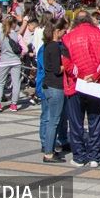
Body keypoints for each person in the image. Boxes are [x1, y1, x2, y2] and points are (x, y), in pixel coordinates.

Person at [61, 10, 100, 168]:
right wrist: (95, 75)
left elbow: (66, 62)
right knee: (95, 120)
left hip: (76, 84)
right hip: (95, 82)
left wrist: (80, 75)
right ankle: (94, 156)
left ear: (75, 21)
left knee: (76, 122)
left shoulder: (68, 37)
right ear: (90, 19)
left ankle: (79, 156)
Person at [40, 17, 69, 163]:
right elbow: (57, 69)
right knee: (54, 120)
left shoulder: (47, 45)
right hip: (55, 86)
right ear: (57, 31)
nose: (65, 33)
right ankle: (49, 153)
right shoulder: (54, 47)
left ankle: (49, 148)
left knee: (53, 119)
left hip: (48, 85)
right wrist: (67, 65)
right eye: (64, 30)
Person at [0, 13, 23, 112]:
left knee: (0, 82)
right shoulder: (18, 35)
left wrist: (0, 57)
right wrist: (20, 55)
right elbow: (25, 48)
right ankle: (14, 104)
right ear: (14, 24)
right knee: (16, 82)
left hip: (4, 61)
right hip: (16, 61)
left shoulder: (1, 35)